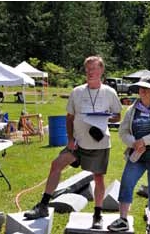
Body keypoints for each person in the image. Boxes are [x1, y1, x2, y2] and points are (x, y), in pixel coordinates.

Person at [23, 56, 122, 230]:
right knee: (56, 165)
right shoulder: (77, 92)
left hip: (99, 144)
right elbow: (69, 118)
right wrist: (70, 139)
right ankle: (43, 206)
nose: (90, 72)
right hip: (77, 143)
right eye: (87, 69)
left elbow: (118, 115)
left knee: (98, 178)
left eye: (93, 68)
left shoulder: (109, 92)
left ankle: (97, 215)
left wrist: (105, 117)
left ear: (101, 71)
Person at [107, 76, 150, 234]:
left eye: (145, 88)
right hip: (137, 155)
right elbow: (123, 132)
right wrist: (133, 143)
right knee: (126, 183)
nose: (141, 91)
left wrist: (143, 141)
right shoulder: (132, 109)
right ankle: (123, 219)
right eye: (140, 88)